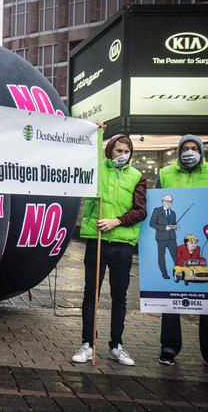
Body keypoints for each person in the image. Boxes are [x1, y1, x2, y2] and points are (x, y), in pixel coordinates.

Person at [72, 133, 147, 366]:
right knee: (90, 294)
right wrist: (98, 133)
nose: (123, 155)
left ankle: (116, 345)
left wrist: (116, 221)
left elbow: (140, 210)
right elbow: (91, 153)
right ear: (109, 151)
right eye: (119, 151)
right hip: (98, 241)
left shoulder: (137, 176)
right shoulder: (98, 170)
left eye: (127, 152)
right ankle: (88, 344)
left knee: (119, 297)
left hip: (123, 245)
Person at [155, 135, 208, 371]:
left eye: (195, 148)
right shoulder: (165, 174)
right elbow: (157, 204)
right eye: (185, 148)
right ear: (178, 151)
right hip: (175, 240)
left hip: (207, 241)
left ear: (202, 151)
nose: (190, 151)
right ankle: (169, 347)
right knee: (172, 297)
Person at [148, 193, 179, 279]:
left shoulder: (173, 213)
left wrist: (175, 227)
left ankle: (179, 272)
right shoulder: (157, 210)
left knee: (176, 255)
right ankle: (164, 273)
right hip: (161, 238)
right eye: (167, 201)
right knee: (161, 256)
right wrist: (164, 228)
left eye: (170, 201)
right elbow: (152, 224)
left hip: (172, 238)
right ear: (163, 201)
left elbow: (173, 224)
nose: (169, 203)